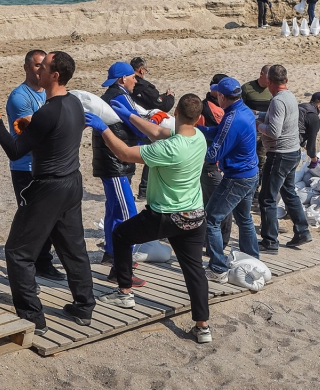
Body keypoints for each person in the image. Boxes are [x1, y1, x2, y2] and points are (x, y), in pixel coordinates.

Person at [0, 51, 95, 335]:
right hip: (72, 183)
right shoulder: (75, 103)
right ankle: (84, 306)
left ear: (55, 75)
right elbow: (56, 134)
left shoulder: (47, 110)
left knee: (17, 252)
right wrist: (32, 128)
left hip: (47, 187)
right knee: (74, 247)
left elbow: (15, 150)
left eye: (45, 66)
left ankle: (33, 316)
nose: (39, 69)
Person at [87, 94, 213, 344]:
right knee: (194, 271)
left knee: (121, 235)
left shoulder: (169, 149)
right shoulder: (198, 138)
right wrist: (130, 116)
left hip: (166, 215)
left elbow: (123, 153)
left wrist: (102, 129)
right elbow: (158, 132)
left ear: (175, 111)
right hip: (195, 216)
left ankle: (124, 292)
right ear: (198, 118)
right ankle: (203, 327)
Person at [6, 49, 65, 283]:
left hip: (46, 165)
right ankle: (29, 269)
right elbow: (35, 134)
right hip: (25, 167)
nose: (41, 69)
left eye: (44, 66)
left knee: (50, 217)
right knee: (30, 219)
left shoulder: (49, 94)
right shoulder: (20, 97)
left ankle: (43, 263)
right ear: (27, 68)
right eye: (37, 65)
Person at [194, 77, 260, 284]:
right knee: (244, 218)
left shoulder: (232, 119)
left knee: (212, 218)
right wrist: (199, 130)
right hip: (250, 173)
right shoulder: (244, 111)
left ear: (222, 96)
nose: (215, 98)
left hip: (236, 177)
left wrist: (192, 145)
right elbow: (220, 132)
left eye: (216, 95)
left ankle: (218, 268)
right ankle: (253, 261)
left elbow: (214, 154)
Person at [92, 62, 145, 286]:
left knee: (114, 210)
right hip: (116, 164)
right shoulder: (119, 96)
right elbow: (134, 123)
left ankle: (111, 255)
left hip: (110, 163)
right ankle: (121, 270)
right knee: (128, 214)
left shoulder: (111, 95)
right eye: (133, 76)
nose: (136, 80)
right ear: (122, 79)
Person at [257, 65, 312, 254]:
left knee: (266, 198)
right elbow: (281, 118)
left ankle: (269, 241)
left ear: (270, 83)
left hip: (280, 154)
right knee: (289, 192)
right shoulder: (290, 96)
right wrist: (261, 115)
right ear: (286, 81)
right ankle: (302, 230)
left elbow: (274, 131)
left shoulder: (277, 101)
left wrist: (258, 125)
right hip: (293, 152)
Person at [129, 56, 175, 200]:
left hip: (132, 122)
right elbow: (162, 105)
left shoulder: (128, 85)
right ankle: (144, 190)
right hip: (148, 124)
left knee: (129, 155)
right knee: (153, 155)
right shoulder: (144, 86)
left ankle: (136, 189)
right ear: (141, 70)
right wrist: (170, 97)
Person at [198, 74, 232, 248]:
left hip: (204, 163)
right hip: (214, 165)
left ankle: (210, 240)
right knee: (221, 206)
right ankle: (219, 242)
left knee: (208, 204)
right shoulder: (217, 111)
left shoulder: (202, 107)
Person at [241, 65, 272, 198]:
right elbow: (239, 107)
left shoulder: (272, 90)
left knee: (262, 160)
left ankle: (256, 189)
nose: (271, 80)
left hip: (265, 131)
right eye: (268, 77)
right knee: (248, 159)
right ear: (261, 74)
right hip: (249, 131)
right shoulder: (247, 88)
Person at [298, 92, 320, 169]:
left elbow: (298, 127)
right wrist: (314, 159)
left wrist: (303, 144)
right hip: (290, 149)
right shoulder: (314, 118)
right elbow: (311, 143)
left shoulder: (300, 107)